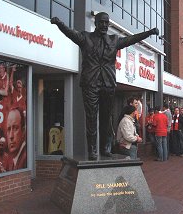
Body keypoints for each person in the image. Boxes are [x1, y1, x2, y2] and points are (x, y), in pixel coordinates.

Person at [51, 12, 158, 160]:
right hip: (90, 83)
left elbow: (132, 39)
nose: (104, 25)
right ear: (96, 23)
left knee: (107, 118)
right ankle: (92, 150)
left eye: (106, 23)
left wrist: (149, 33)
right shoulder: (86, 38)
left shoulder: (114, 40)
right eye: (101, 22)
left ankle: (105, 148)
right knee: (91, 118)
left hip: (108, 83)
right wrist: (59, 23)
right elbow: (71, 33)